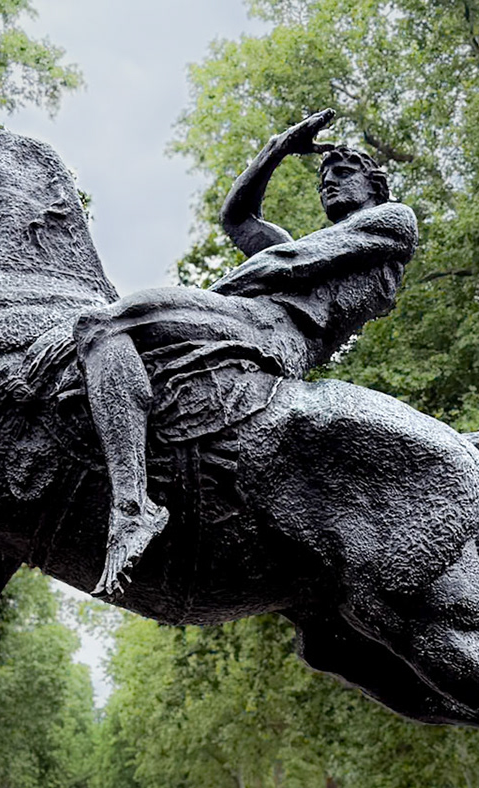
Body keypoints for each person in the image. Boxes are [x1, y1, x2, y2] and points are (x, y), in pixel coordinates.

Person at [75, 108, 419, 595]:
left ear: (375, 186)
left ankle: (133, 508)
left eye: (342, 174)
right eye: (323, 178)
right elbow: (238, 219)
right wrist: (277, 148)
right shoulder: (317, 242)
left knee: (104, 323)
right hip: (248, 319)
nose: (329, 184)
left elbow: (289, 262)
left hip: (270, 332)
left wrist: (213, 295)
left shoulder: (392, 221)